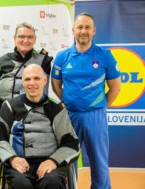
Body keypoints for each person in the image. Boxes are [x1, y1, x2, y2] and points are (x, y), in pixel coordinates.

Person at [51, 12, 121, 189]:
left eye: (87, 27)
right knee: (67, 159)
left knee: (99, 163)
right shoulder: (62, 57)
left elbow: (115, 88)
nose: (83, 31)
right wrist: (69, 102)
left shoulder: (105, 56)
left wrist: (99, 106)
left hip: (95, 116)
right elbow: (56, 86)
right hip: (69, 116)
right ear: (73, 30)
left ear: (94, 30)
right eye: (80, 27)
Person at [0, 64, 79, 189]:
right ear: (23, 82)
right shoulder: (10, 106)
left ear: (44, 80)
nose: (32, 83)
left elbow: (71, 143)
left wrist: (53, 161)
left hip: (49, 161)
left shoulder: (57, 109)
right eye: (27, 79)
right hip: (19, 161)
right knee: (20, 183)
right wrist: (13, 158)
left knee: (52, 182)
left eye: (36, 78)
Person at [0, 22, 53, 110]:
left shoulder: (44, 61)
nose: (25, 41)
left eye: (30, 37)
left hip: (35, 115)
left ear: (35, 39)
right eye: (21, 37)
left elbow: (44, 94)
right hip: (4, 114)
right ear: (14, 38)